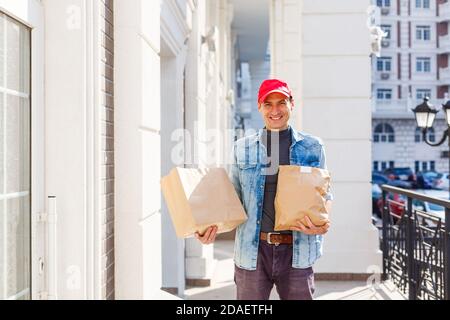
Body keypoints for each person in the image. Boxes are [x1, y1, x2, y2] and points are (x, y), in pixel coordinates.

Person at [195, 79, 333, 300]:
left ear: (291, 104)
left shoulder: (313, 146)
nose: (275, 110)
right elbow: (231, 200)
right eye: (268, 104)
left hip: (297, 251)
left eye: (281, 102)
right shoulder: (242, 148)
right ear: (259, 107)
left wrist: (323, 224)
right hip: (253, 251)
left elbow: (325, 194)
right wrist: (209, 227)